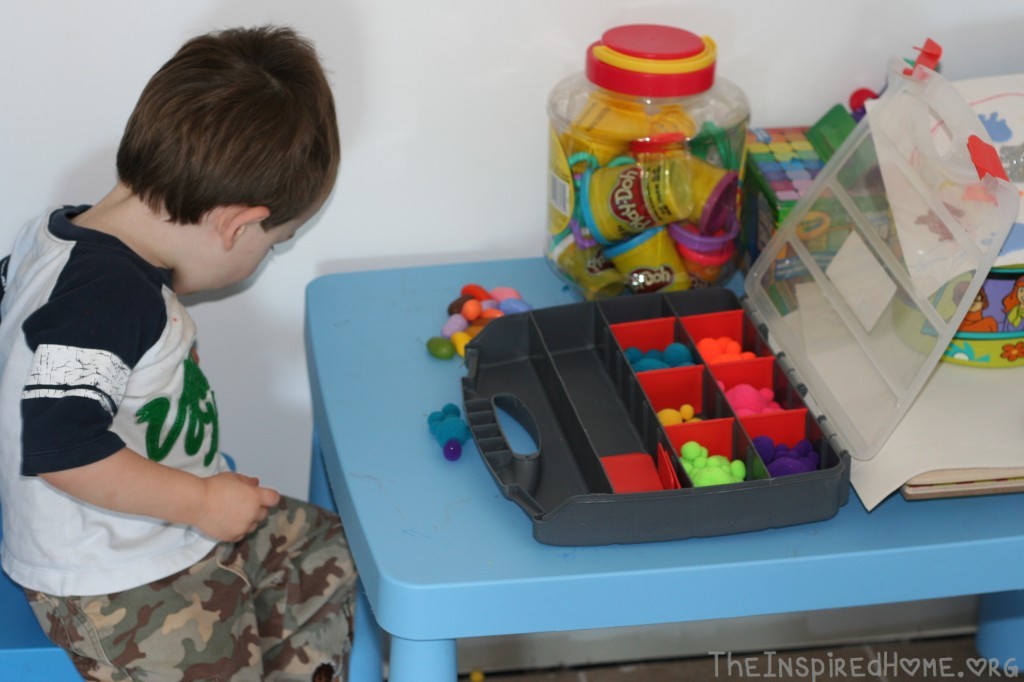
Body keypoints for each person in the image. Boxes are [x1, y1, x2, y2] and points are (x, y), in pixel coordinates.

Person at [0, 25, 355, 681]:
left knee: (329, 545)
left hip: (171, 525)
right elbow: (59, 443)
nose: (264, 255)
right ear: (236, 225)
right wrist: (202, 505)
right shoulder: (108, 299)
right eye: (274, 241)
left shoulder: (61, 235)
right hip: (113, 580)